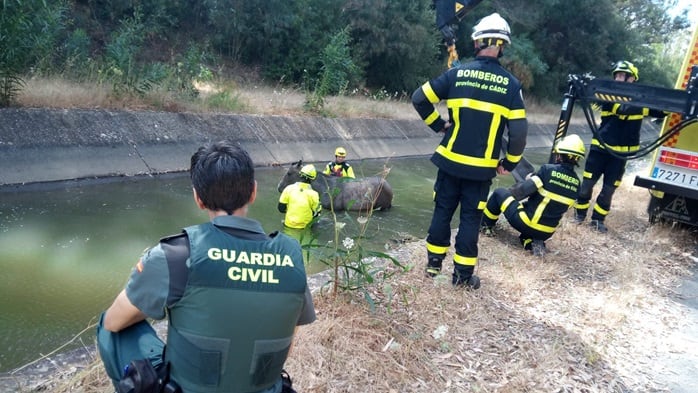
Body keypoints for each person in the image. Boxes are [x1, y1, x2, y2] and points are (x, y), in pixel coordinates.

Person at [96, 141, 316, 393]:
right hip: (266, 388)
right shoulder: (291, 256)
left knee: (110, 325)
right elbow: (286, 344)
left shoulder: (176, 255)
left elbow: (114, 322)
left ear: (198, 198)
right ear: (253, 192)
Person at [411, 12, 527, 289]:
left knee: (442, 211)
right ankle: (462, 277)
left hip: (449, 162)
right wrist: (509, 163)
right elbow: (520, 133)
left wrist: (439, 126)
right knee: (470, 220)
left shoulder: (457, 73)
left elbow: (419, 99)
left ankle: (433, 267)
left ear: (477, 43)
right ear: (501, 46)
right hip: (480, 170)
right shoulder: (511, 86)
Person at [573, 61, 666, 233]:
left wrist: (672, 103)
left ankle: (598, 220)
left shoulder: (641, 101)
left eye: (622, 76)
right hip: (600, 149)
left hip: (620, 156)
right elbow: (619, 107)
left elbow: (663, 110)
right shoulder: (608, 95)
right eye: (616, 75)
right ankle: (579, 215)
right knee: (587, 184)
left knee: (608, 190)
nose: (618, 79)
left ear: (632, 79)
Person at [480, 134, 585, 256]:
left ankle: (485, 226)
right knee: (536, 214)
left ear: (559, 155)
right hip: (546, 232)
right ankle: (530, 242)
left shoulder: (547, 170)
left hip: (527, 223)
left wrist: (529, 180)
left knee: (499, 193)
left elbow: (521, 192)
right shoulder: (577, 184)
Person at [278, 164, 322, 229]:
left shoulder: (288, 189)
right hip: (305, 228)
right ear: (313, 179)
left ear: (300, 175)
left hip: (288, 225)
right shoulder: (314, 194)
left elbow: (281, 209)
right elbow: (318, 213)